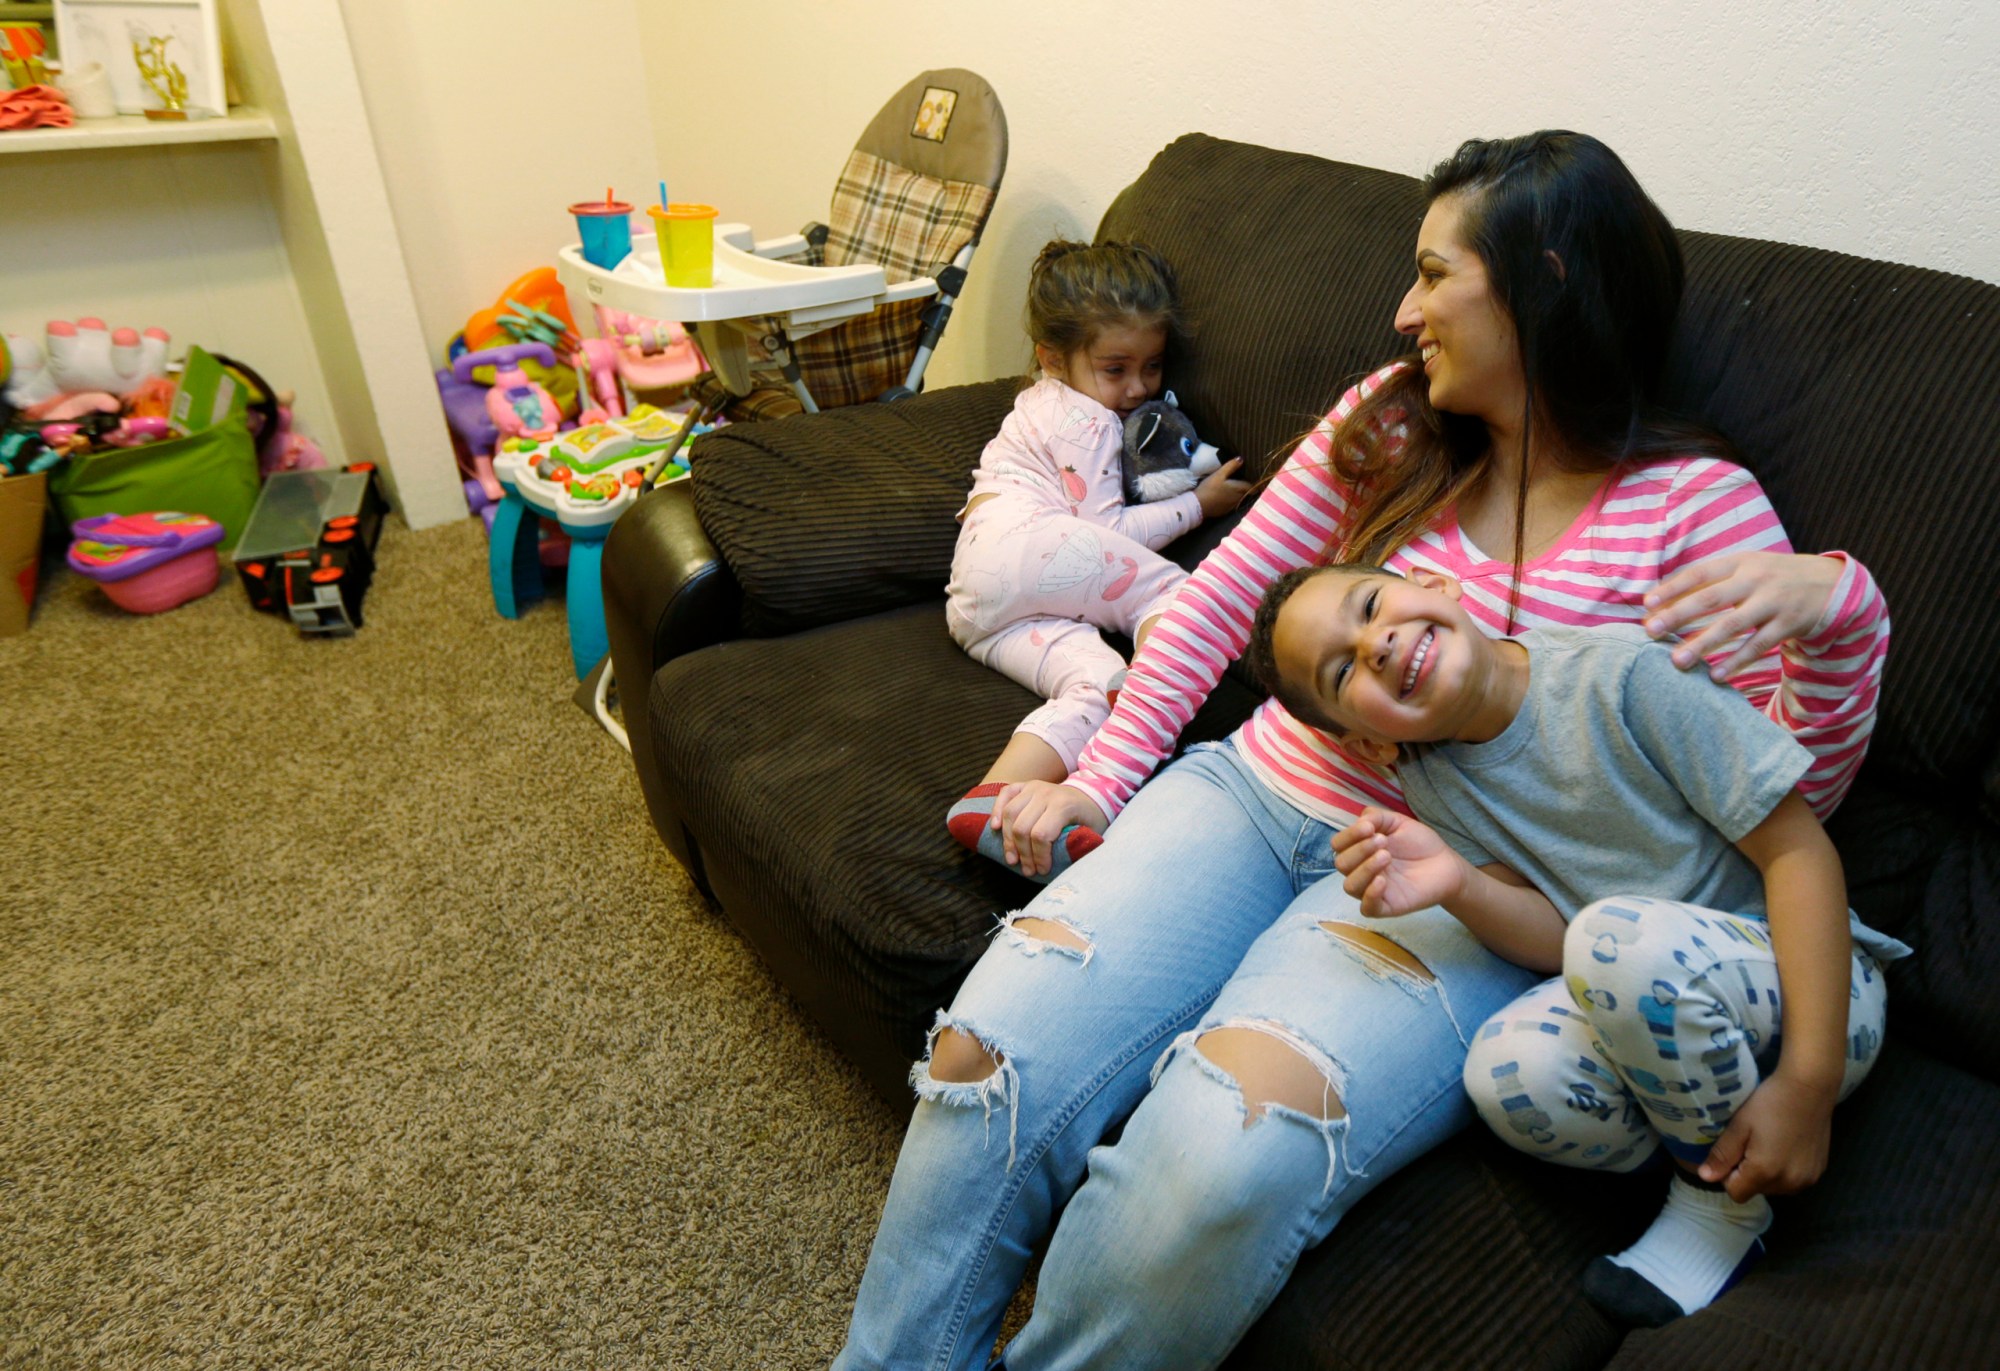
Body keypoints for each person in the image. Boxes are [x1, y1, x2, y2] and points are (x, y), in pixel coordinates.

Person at [836, 130, 1892, 1371]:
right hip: (1253, 792)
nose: (1403, 310)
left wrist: (1839, 612)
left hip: (1453, 894)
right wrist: (1098, 783)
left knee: (1213, 1156)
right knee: (985, 1053)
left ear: (1541, 279)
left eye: (1434, 273)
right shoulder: (1388, 425)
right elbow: (1225, 599)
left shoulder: (1696, 509)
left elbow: (1771, 797)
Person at [1248, 561, 1907, 1326]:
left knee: (1612, 938)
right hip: (1655, 1008)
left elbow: (1798, 852)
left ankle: (1718, 1201)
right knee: (1504, 1072)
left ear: (1438, 584)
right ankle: (1720, 1139)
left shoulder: (1623, 676)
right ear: (1369, 745)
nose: (1378, 645)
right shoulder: (1432, 781)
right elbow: (1558, 931)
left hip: (1819, 991)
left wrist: (1809, 1079)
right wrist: (1458, 883)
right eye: (1342, 670)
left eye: (1370, 607)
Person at [943, 238, 1250, 880]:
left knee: (1098, 688)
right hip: (1022, 541)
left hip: (982, 603)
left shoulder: (1044, 402)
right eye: (1116, 369)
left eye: (1153, 367)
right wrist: (1200, 504)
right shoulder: (1083, 418)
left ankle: (990, 806)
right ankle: (1196, 714)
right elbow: (1106, 530)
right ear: (1053, 358)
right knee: (1177, 595)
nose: (1138, 389)